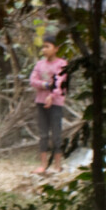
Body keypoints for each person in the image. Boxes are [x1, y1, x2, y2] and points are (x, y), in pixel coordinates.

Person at [30, 35, 68, 175]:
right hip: (40, 102)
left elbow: (60, 84)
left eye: (47, 46)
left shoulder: (62, 64)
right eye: (43, 46)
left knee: (56, 133)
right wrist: (45, 84)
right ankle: (43, 165)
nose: (44, 49)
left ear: (56, 48)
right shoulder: (40, 64)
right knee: (43, 133)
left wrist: (52, 96)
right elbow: (33, 80)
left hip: (56, 103)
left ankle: (58, 165)